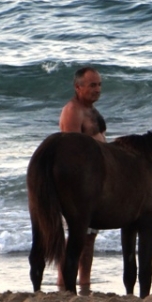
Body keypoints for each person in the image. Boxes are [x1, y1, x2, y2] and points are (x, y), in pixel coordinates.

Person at [57, 66, 106, 289]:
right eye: (92, 85)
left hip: (95, 182)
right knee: (76, 237)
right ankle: (63, 283)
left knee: (89, 237)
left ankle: (84, 282)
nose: (97, 89)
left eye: (99, 84)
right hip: (79, 186)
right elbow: (72, 152)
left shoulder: (91, 110)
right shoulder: (72, 111)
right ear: (78, 87)